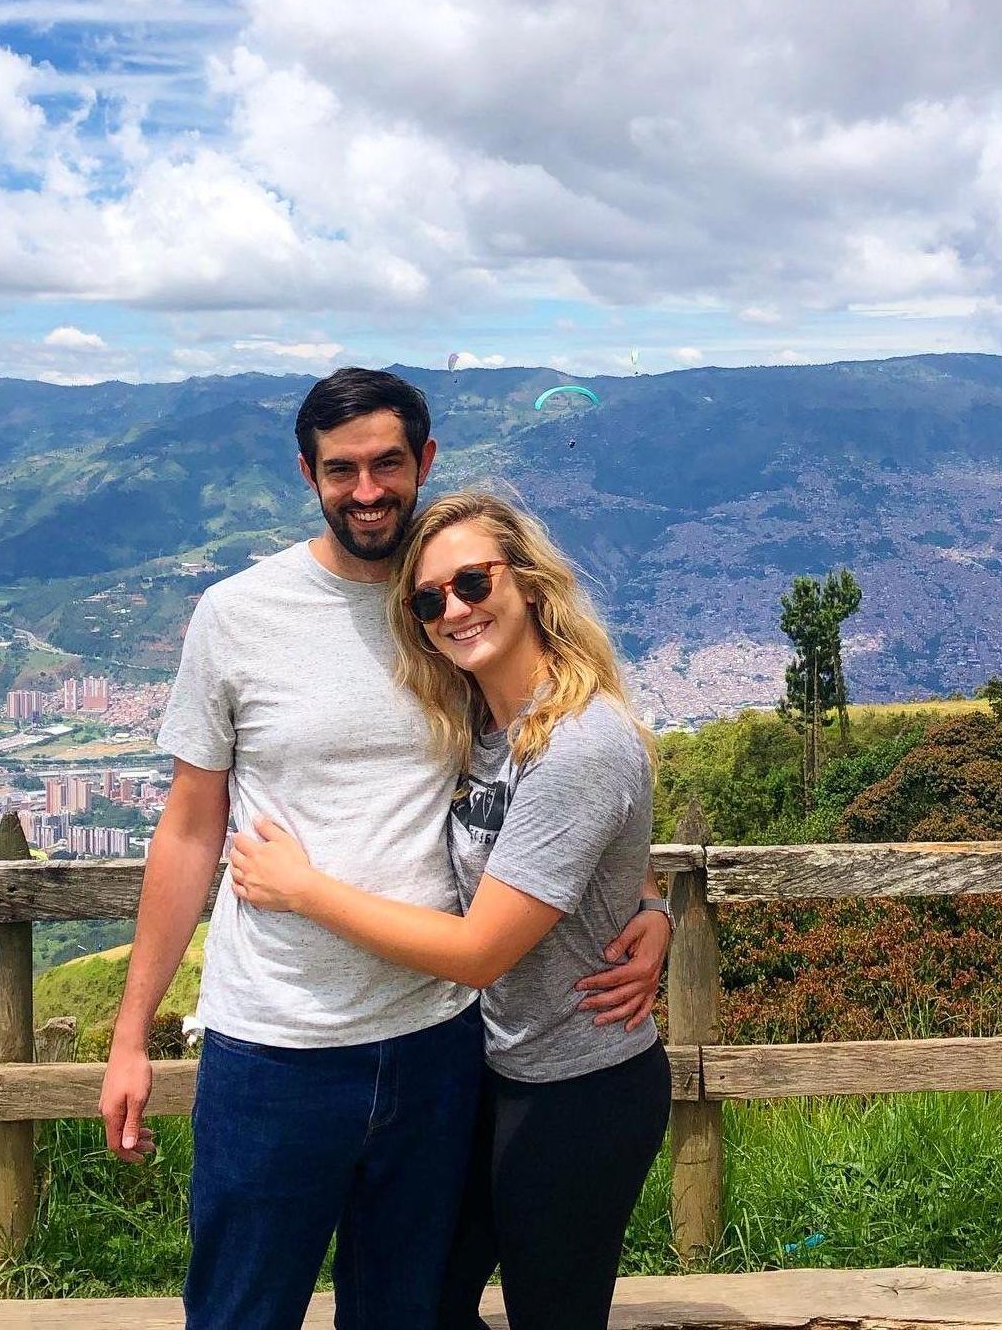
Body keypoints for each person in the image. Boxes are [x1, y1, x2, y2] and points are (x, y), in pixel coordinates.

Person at [99, 369, 668, 1330]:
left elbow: (568, 789)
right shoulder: (242, 615)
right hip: (278, 1039)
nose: (367, 490)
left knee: (406, 1313)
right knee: (241, 1309)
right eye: (341, 469)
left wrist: (643, 905)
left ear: (424, 462)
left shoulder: (454, 627)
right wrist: (129, 1032)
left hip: (439, 1042)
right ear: (308, 474)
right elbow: (190, 825)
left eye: (387, 463)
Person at [230, 489, 672, 1330]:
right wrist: (650, 902)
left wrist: (302, 889)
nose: (453, 610)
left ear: (531, 583)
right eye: (429, 600)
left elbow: (478, 951)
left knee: (551, 1317)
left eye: (472, 582)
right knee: (421, 1303)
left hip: (580, 1087)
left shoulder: (577, 739)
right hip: (496, 1070)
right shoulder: (480, 724)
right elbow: (602, 850)